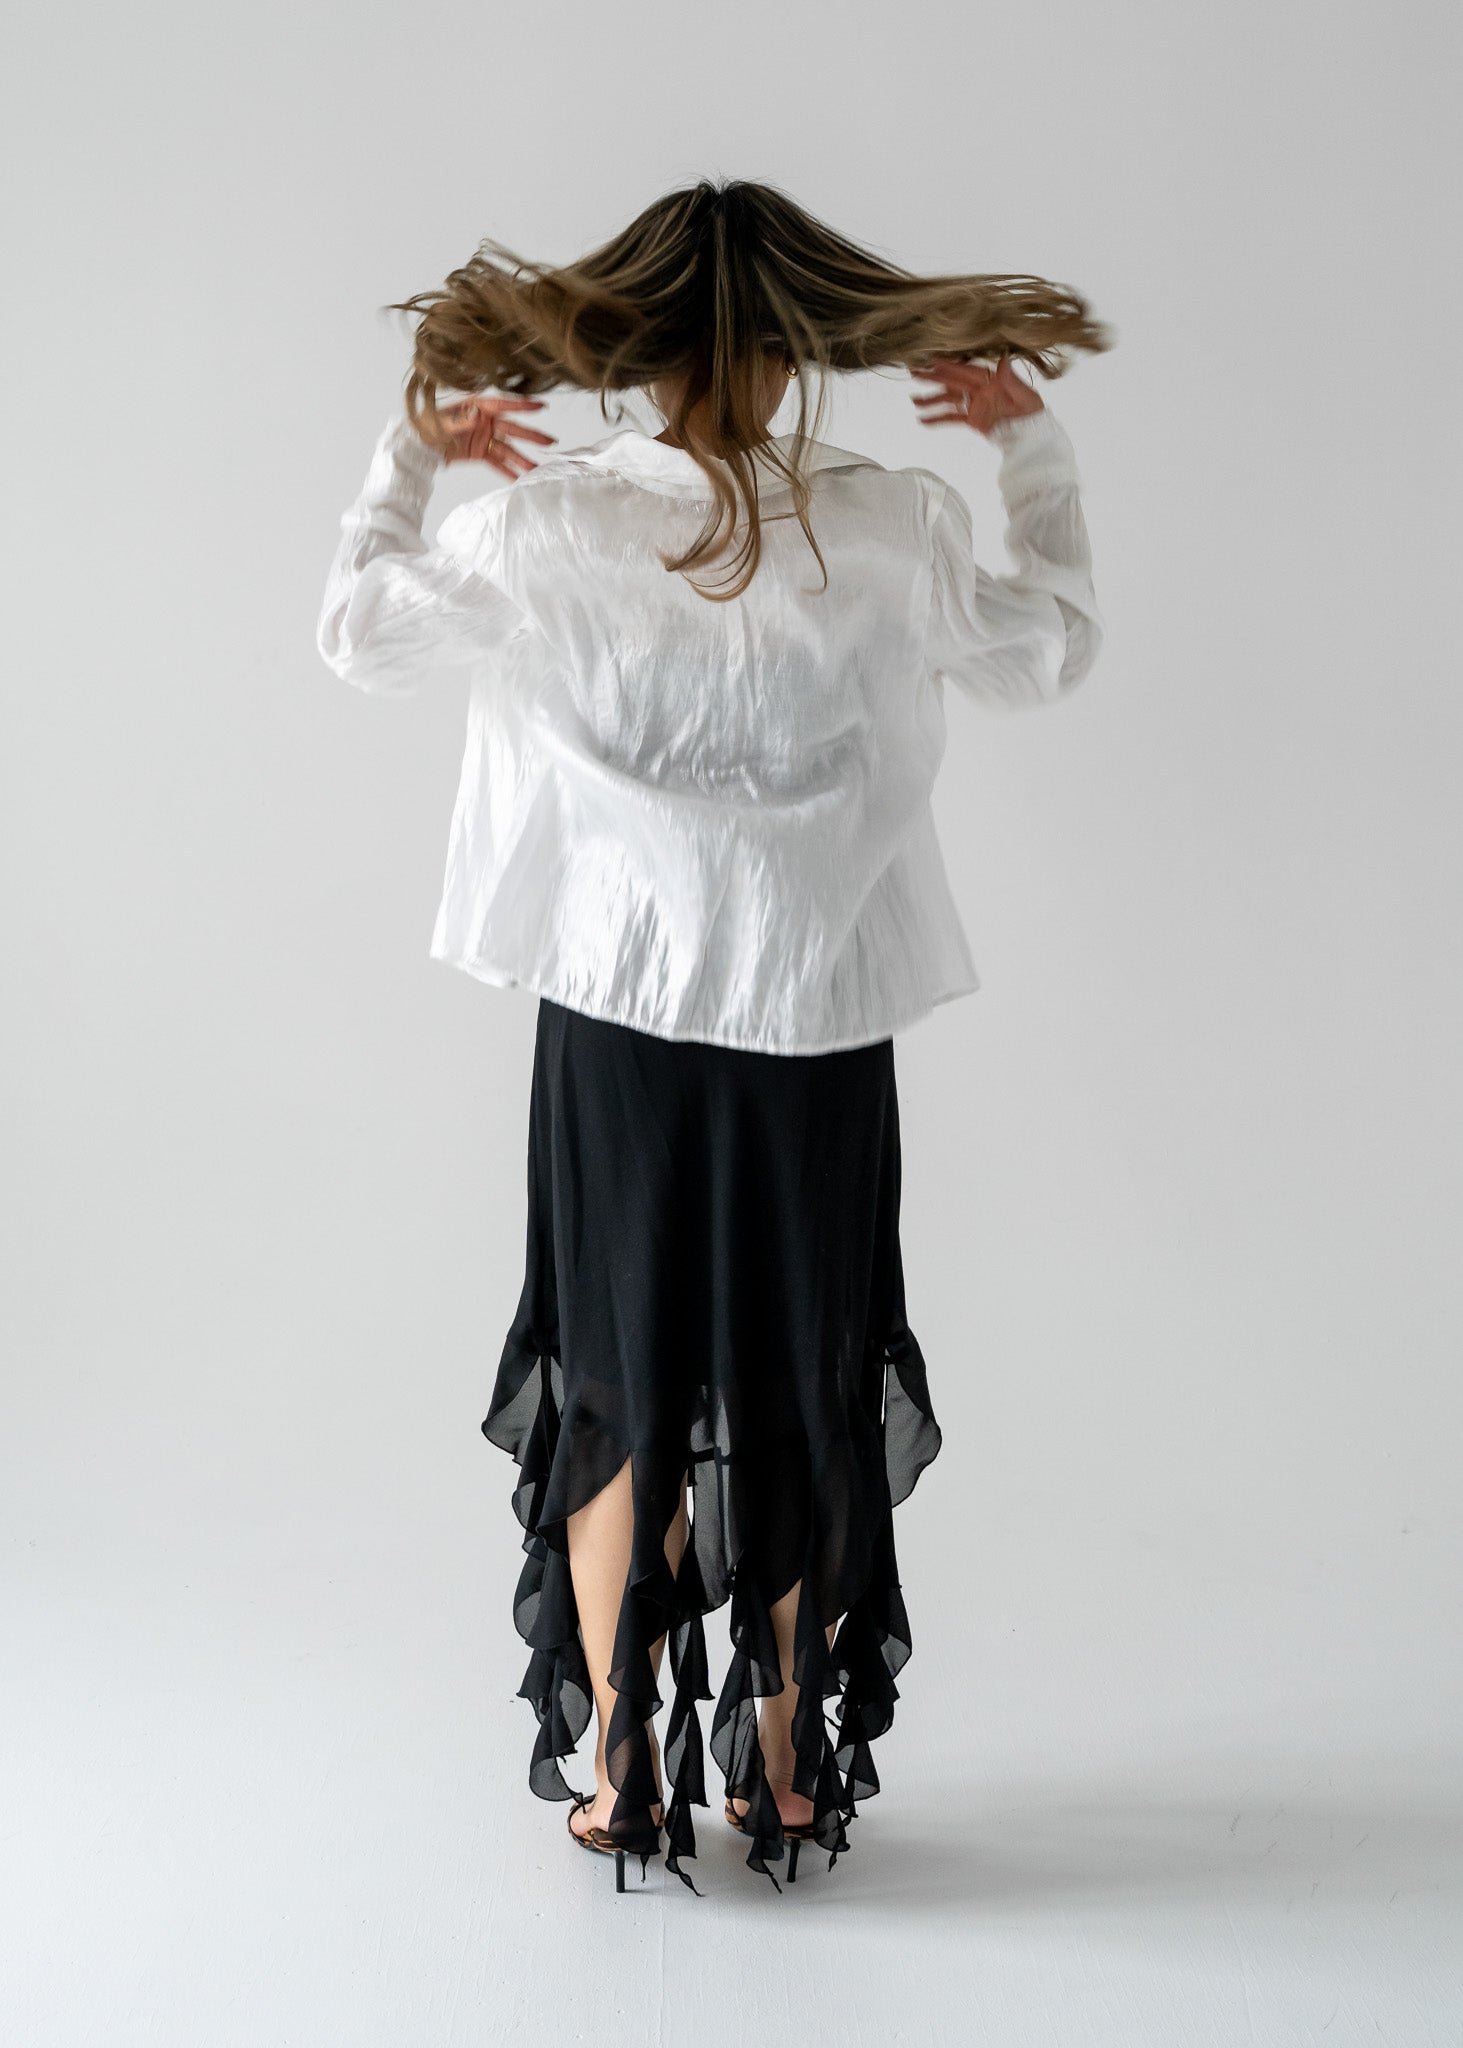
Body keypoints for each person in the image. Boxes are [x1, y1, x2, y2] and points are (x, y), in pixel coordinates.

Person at [315, 177, 1111, 1897]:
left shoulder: (549, 528)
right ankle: (783, 1774)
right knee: (797, 1370)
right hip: (818, 1022)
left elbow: (357, 634)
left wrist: (417, 454)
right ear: (804, 345)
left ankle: (619, 1769)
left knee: (616, 1372)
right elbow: (1051, 653)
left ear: (636, 342)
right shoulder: (889, 522)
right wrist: (1029, 453)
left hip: (616, 1019)